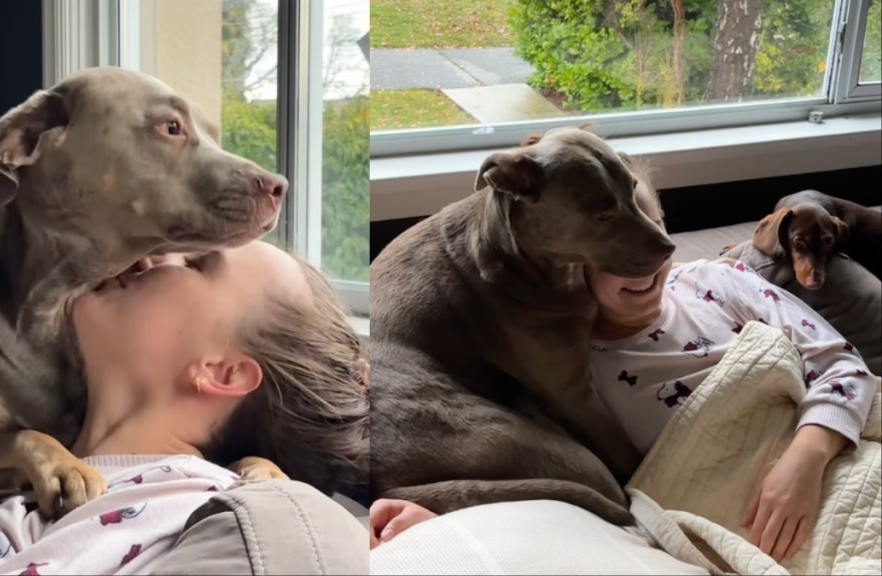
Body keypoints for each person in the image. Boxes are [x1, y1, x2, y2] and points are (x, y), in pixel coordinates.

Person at [369, 158, 877, 565]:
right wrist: (443, 516)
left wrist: (805, 460)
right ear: (565, 259)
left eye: (654, 226)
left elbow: (843, 365)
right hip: (739, 530)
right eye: (614, 248)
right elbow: (553, 494)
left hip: (839, 459)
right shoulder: (558, 373)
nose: (652, 255)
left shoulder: (718, 282)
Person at [0, 242, 368, 575]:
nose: (155, 252)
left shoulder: (182, 501)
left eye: (195, 263)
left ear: (222, 372)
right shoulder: (7, 440)